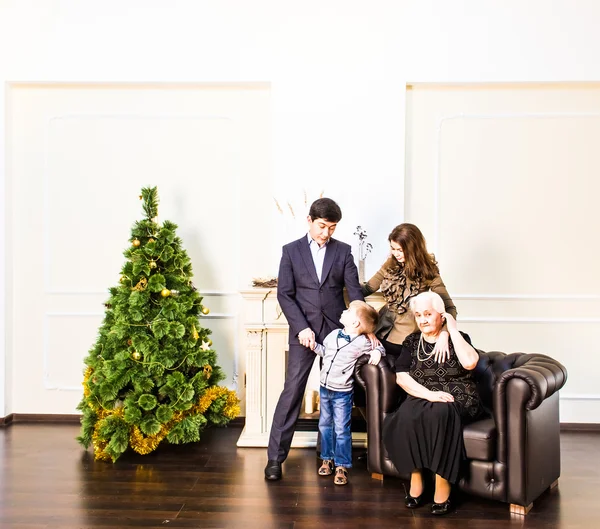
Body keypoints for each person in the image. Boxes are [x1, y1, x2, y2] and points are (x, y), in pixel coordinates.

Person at [264, 197, 365, 481]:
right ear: (309, 221)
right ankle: (274, 459)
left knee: (334, 396)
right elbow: (285, 293)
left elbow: (354, 292)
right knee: (292, 391)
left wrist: (357, 324)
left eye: (332, 228)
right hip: (303, 331)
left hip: (337, 334)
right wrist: (301, 328)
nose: (326, 233)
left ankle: (327, 457)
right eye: (322, 226)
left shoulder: (343, 252)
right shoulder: (291, 251)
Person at [382, 291, 485, 515]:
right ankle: (416, 477)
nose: (423, 320)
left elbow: (470, 363)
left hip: (457, 395)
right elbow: (402, 377)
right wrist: (429, 394)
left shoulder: (459, 337)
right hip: (424, 395)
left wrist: (452, 330)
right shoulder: (411, 341)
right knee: (405, 414)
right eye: (419, 315)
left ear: (442, 315)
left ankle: (442, 483)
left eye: (428, 314)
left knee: (440, 413)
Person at [312, 300, 385, 486]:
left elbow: (379, 347)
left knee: (341, 430)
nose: (344, 311)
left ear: (355, 323)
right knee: (325, 426)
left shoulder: (362, 342)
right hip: (324, 388)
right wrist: (313, 346)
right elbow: (324, 351)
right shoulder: (333, 334)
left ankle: (342, 465)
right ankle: (326, 459)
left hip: (342, 393)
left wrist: (377, 352)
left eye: (349, 310)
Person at [363, 223, 457, 364]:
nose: (395, 253)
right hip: (382, 332)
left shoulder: (428, 271)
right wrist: (342, 282)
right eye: (393, 249)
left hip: (408, 338)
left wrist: (444, 334)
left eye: (399, 250)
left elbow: (449, 308)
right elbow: (368, 288)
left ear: (412, 248)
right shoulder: (390, 264)